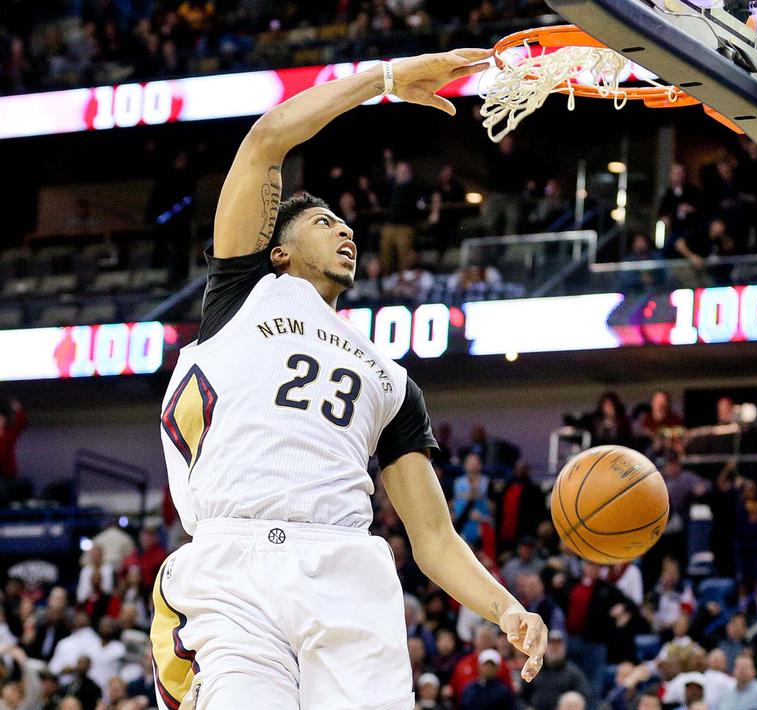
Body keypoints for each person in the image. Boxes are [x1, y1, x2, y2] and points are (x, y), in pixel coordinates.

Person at [151, 50, 547, 709]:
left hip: (345, 567)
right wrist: (385, 81)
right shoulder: (243, 293)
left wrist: (505, 610)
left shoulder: (391, 379)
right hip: (235, 564)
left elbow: (433, 539)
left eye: (344, 224)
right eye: (322, 222)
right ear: (277, 250)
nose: (344, 231)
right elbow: (266, 141)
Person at [0, 398, 26, 481]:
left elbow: (21, 423)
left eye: (1, 418)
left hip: (8, 472)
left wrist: (19, 410)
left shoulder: (10, 433)